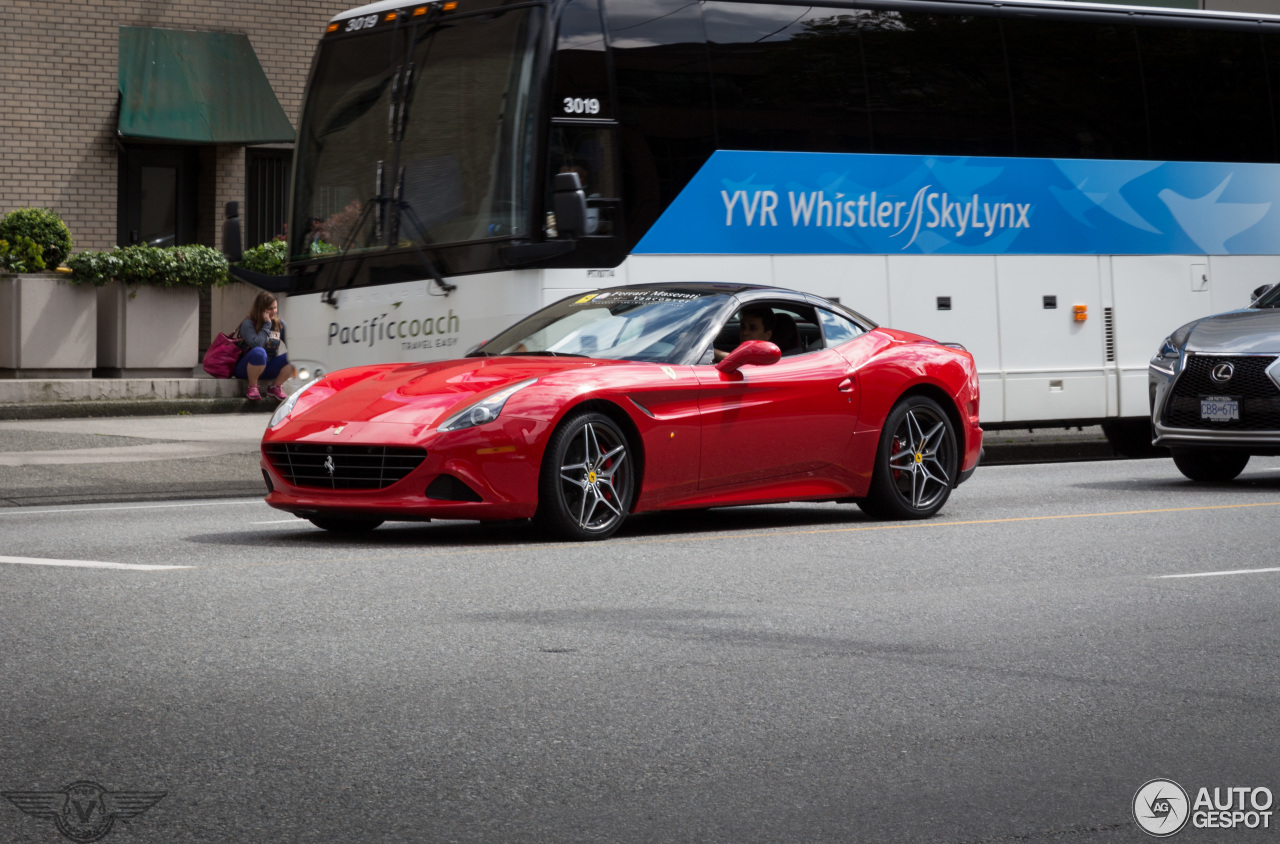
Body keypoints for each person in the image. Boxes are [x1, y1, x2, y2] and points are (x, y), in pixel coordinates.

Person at [235, 291, 295, 400]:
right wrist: (267, 324)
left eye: (275, 308)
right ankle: (252, 387)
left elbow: (293, 345)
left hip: (268, 367)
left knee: (296, 355)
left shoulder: (279, 324)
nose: (274, 312)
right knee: (260, 352)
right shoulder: (248, 323)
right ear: (261, 309)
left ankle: (275, 387)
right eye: (270, 309)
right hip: (246, 368)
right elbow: (257, 344)